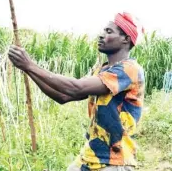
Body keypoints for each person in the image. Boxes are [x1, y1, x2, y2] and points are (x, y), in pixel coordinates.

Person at [8, 12, 145, 171]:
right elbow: (64, 96)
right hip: (90, 156)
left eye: (109, 32)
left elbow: (75, 87)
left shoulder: (129, 70)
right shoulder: (103, 70)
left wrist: (31, 65)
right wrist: (28, 69)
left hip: (115, 161)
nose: (101, 35)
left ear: (126, 39)